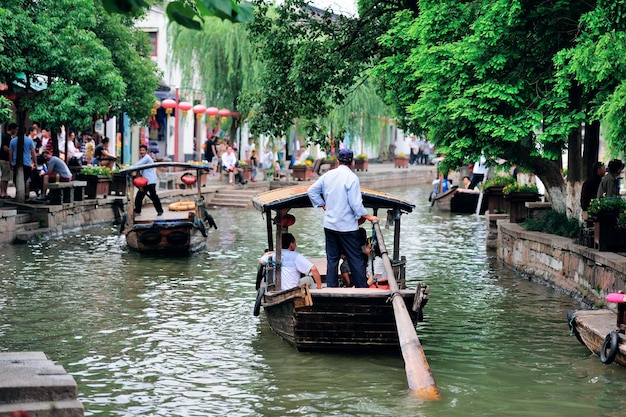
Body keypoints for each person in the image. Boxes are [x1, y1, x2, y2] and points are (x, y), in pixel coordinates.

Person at [307, 149, 379, 288]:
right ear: (352, 162)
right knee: (355, 258)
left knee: (332, 259)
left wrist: (322, 204)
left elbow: (312, 191)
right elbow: (355, 204)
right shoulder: (352, 178)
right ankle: (362, 288)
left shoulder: (328, 175)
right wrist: (368, 216)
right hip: (347, 226)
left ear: (337, 161)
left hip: (330, 225)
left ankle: (331, 288)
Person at [131, 144, 163, 216]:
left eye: (143, 150)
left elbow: (138, 165)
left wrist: (129, 168)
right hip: (145, 182)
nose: (141, 152)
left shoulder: (147, 158)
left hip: (150, 181)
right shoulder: (143, 158)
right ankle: (137, 210)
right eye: (140, 150)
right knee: (140, 195)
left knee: (153, 196)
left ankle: (159, 211)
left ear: (146, 151)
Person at [9, 126, 38, 198]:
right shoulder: (29, 141)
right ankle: (27, 194)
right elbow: (33, 152)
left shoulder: (13, 141)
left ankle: (18, 193)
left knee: (16, 179)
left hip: (16, 162)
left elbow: (10, 153)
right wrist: (35, 162)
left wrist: (11, 162)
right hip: (27, 162)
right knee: (27, 179)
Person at [1, 123, 18, 198]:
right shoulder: (6, 137)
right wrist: (12, 152)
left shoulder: (10, 137)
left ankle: (5, 192)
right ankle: (2, 192)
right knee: (5, 177)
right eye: (16, 129)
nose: (16, 131)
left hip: (7, 159)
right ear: (12, 129)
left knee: (7, 177)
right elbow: (5, 147)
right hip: (4, 159)